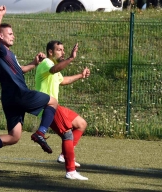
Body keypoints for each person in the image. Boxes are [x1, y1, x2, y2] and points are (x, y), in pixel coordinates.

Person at [0, 5, 58, 169]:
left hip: (9, 98)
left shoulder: (9, 55)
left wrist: (33, 64)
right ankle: (41, 132)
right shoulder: (0, 50)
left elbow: (19, 71)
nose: (13, 36)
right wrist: (0, 16)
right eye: (10, 34)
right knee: (53, 102)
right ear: (1, 36)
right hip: (19, 94)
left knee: (14, 136)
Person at [35, 41, 90, 180]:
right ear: (50, 52)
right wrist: (71, 59)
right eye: (59, 50)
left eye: (63, 50)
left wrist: (80, 75)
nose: (63, 52)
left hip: (55, 106)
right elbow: (54, 70)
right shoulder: (46, 63)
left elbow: (63, 80)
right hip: (48, 107)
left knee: (81, 124)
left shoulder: (53, 66)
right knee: (67, 135)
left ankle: (63, 156)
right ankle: (71, 171)